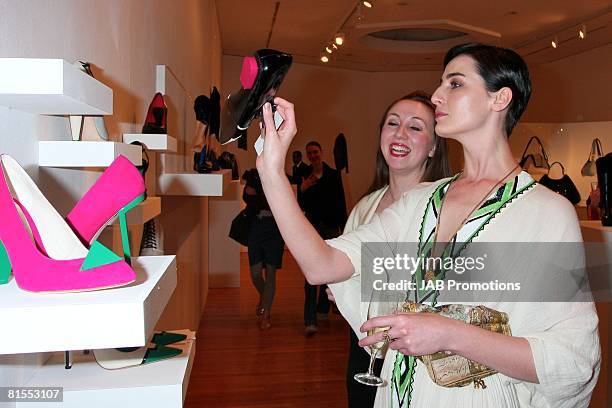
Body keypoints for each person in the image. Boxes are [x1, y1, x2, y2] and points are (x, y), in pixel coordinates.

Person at [256, 42, 600, 407]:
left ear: (499, 99)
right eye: (441, 84)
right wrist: (271, 170)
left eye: (454, 84)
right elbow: (320, 264)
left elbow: (573, 359)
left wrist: (450, 334)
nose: (437, 95)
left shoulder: (546, 213)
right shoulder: (420, 201)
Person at [329, 91, 450, 407]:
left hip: (421, 355)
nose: (399, 134)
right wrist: (341, 288)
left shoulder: (446, 205)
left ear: (435, 146)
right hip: (365, 347)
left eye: (415, 127)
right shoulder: (366, 206)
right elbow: (341, 271)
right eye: (392, 123)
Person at [297, 140, 348, 335]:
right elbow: (299, 203)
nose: (313, 156)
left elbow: (340, 201)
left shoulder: (334, 175)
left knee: (328, 271)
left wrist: (343, 229)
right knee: (310, 273)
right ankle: (310, 320)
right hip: (311, 230)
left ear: (321, 152)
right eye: (309, 153)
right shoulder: (304, 175)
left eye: (315, 152)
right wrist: (303, 189)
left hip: (330, 229)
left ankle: (322, 308)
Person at [242, 168, 284, 331]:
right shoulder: (254, 175)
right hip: (256, 227)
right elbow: (247, 197)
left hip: (274, 229)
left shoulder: (278, 175)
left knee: (271, 271)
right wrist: (256, 195)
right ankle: (264, 295)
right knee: (256, 273)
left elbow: (278, 202)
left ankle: (266, 313)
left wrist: (257, 196)